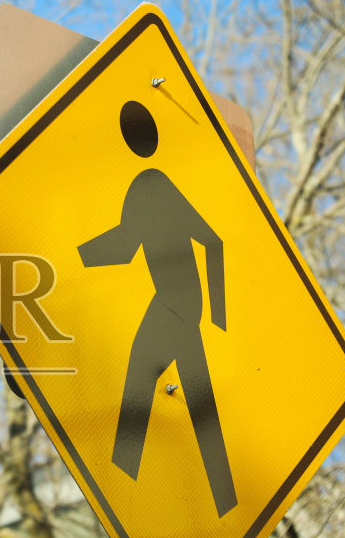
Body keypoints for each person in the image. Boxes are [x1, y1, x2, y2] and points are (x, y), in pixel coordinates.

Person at [77, 99, 238, 516]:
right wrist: (212, 311)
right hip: (183, 301)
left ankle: (124, 487)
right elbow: (206, 242)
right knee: (197, 398)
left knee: (140, 376)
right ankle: (226, 498)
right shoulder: (157, 183)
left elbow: (126, 246)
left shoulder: (149, 186)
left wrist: (72, 257)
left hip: (174, 303)